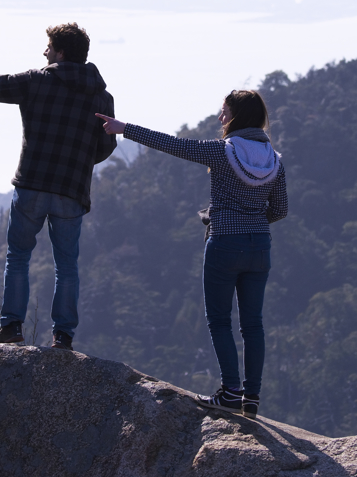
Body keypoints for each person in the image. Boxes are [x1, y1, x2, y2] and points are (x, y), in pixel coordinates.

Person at [97, 89, 287, 418]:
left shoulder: (222, 152)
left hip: (225, 243)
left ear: (237, 116)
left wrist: (123, 127)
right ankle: (251, 397)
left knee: (219, 320)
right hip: (260, 245)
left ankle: (230, 392)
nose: (220, 118)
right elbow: (280, 209)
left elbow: (175, 145)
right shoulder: (275, 160)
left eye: (224, 112)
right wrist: (253, 221)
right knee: (253, 325)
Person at [0, 23, 117, 350]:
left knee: (19, 256)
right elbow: (107, 146)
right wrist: (79, 160)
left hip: (32, 185)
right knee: (66, 265)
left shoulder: (36, 81)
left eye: (49, 46)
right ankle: (63, 336)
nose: (44, 52)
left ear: (61, 52)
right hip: (72, 191)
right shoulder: (101, 96)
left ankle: (11, 327)